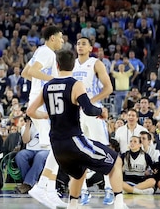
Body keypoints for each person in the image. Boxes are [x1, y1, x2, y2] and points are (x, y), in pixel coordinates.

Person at [27, 49, 127, 209]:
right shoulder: (75, 83)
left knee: (79, 172)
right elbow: (88, 109)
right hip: (73, 140)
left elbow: (30, 111)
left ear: (57, 66)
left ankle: (72, 205)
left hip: (57, 145)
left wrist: (47, 116)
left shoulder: (47, 86)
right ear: (73, 65)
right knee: (116, 160)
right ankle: (119, 204)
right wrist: (101, 111)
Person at [21, 25, 66, 208]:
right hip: (42, 101)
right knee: (58, 146)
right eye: (61, 37)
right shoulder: (47, 52)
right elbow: (31, 72)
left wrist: (42, 82)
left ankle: (49, 189)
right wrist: (53, 81)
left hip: (40, 99)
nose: (63, 41)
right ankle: (43, 187)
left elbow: (25, 72)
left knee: (56, 147)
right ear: (53, 38)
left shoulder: (40, 51)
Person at [71, 36, 115, 205]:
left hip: (94, 110)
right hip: (76, 112)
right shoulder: (72, 64)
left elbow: (109, 87)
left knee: (102, 148)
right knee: (79, 151)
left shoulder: (95, 63)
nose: (80, 46)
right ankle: (83, 191)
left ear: (90, 48)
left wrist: (89, 102)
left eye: (84, 44)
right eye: (78, 43)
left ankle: (109, 188)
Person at [14, 115, 50, 194]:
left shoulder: (48, 123)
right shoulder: (27, 126)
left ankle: (27, 184)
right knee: (20, 156)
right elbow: (25, 140)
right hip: (30, 150)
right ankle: (30, 184)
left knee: (39, 156)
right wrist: (28, 125)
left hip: (46, 149)